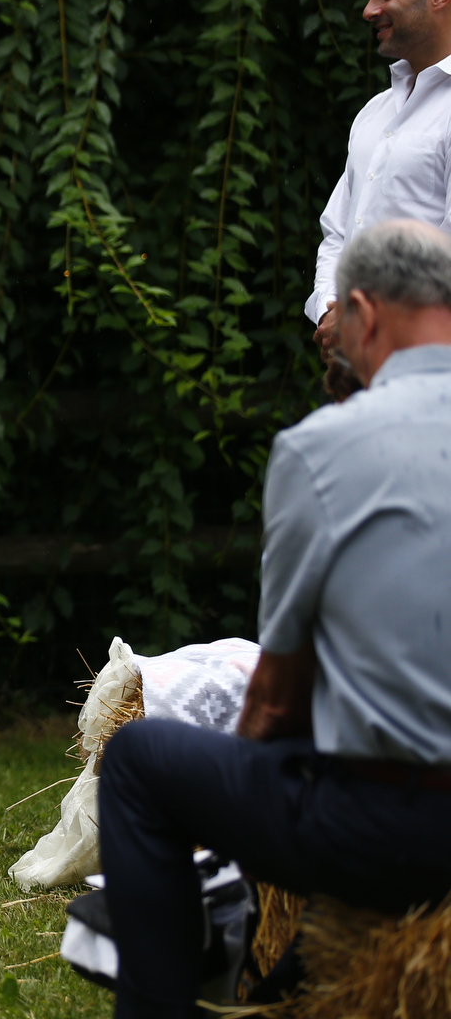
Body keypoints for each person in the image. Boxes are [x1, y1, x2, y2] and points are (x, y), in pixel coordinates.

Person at [96, 220, 451, 1019]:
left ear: (363, 313)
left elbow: (277, 700)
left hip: (394, 828)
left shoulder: (321, 448)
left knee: (141, 761)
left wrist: (245, 821)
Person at [309, 0, 451, 359]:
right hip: (360, 361)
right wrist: (330, 310)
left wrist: (363, 318)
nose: (369, 10)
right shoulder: (375, 111)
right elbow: (339, 232)